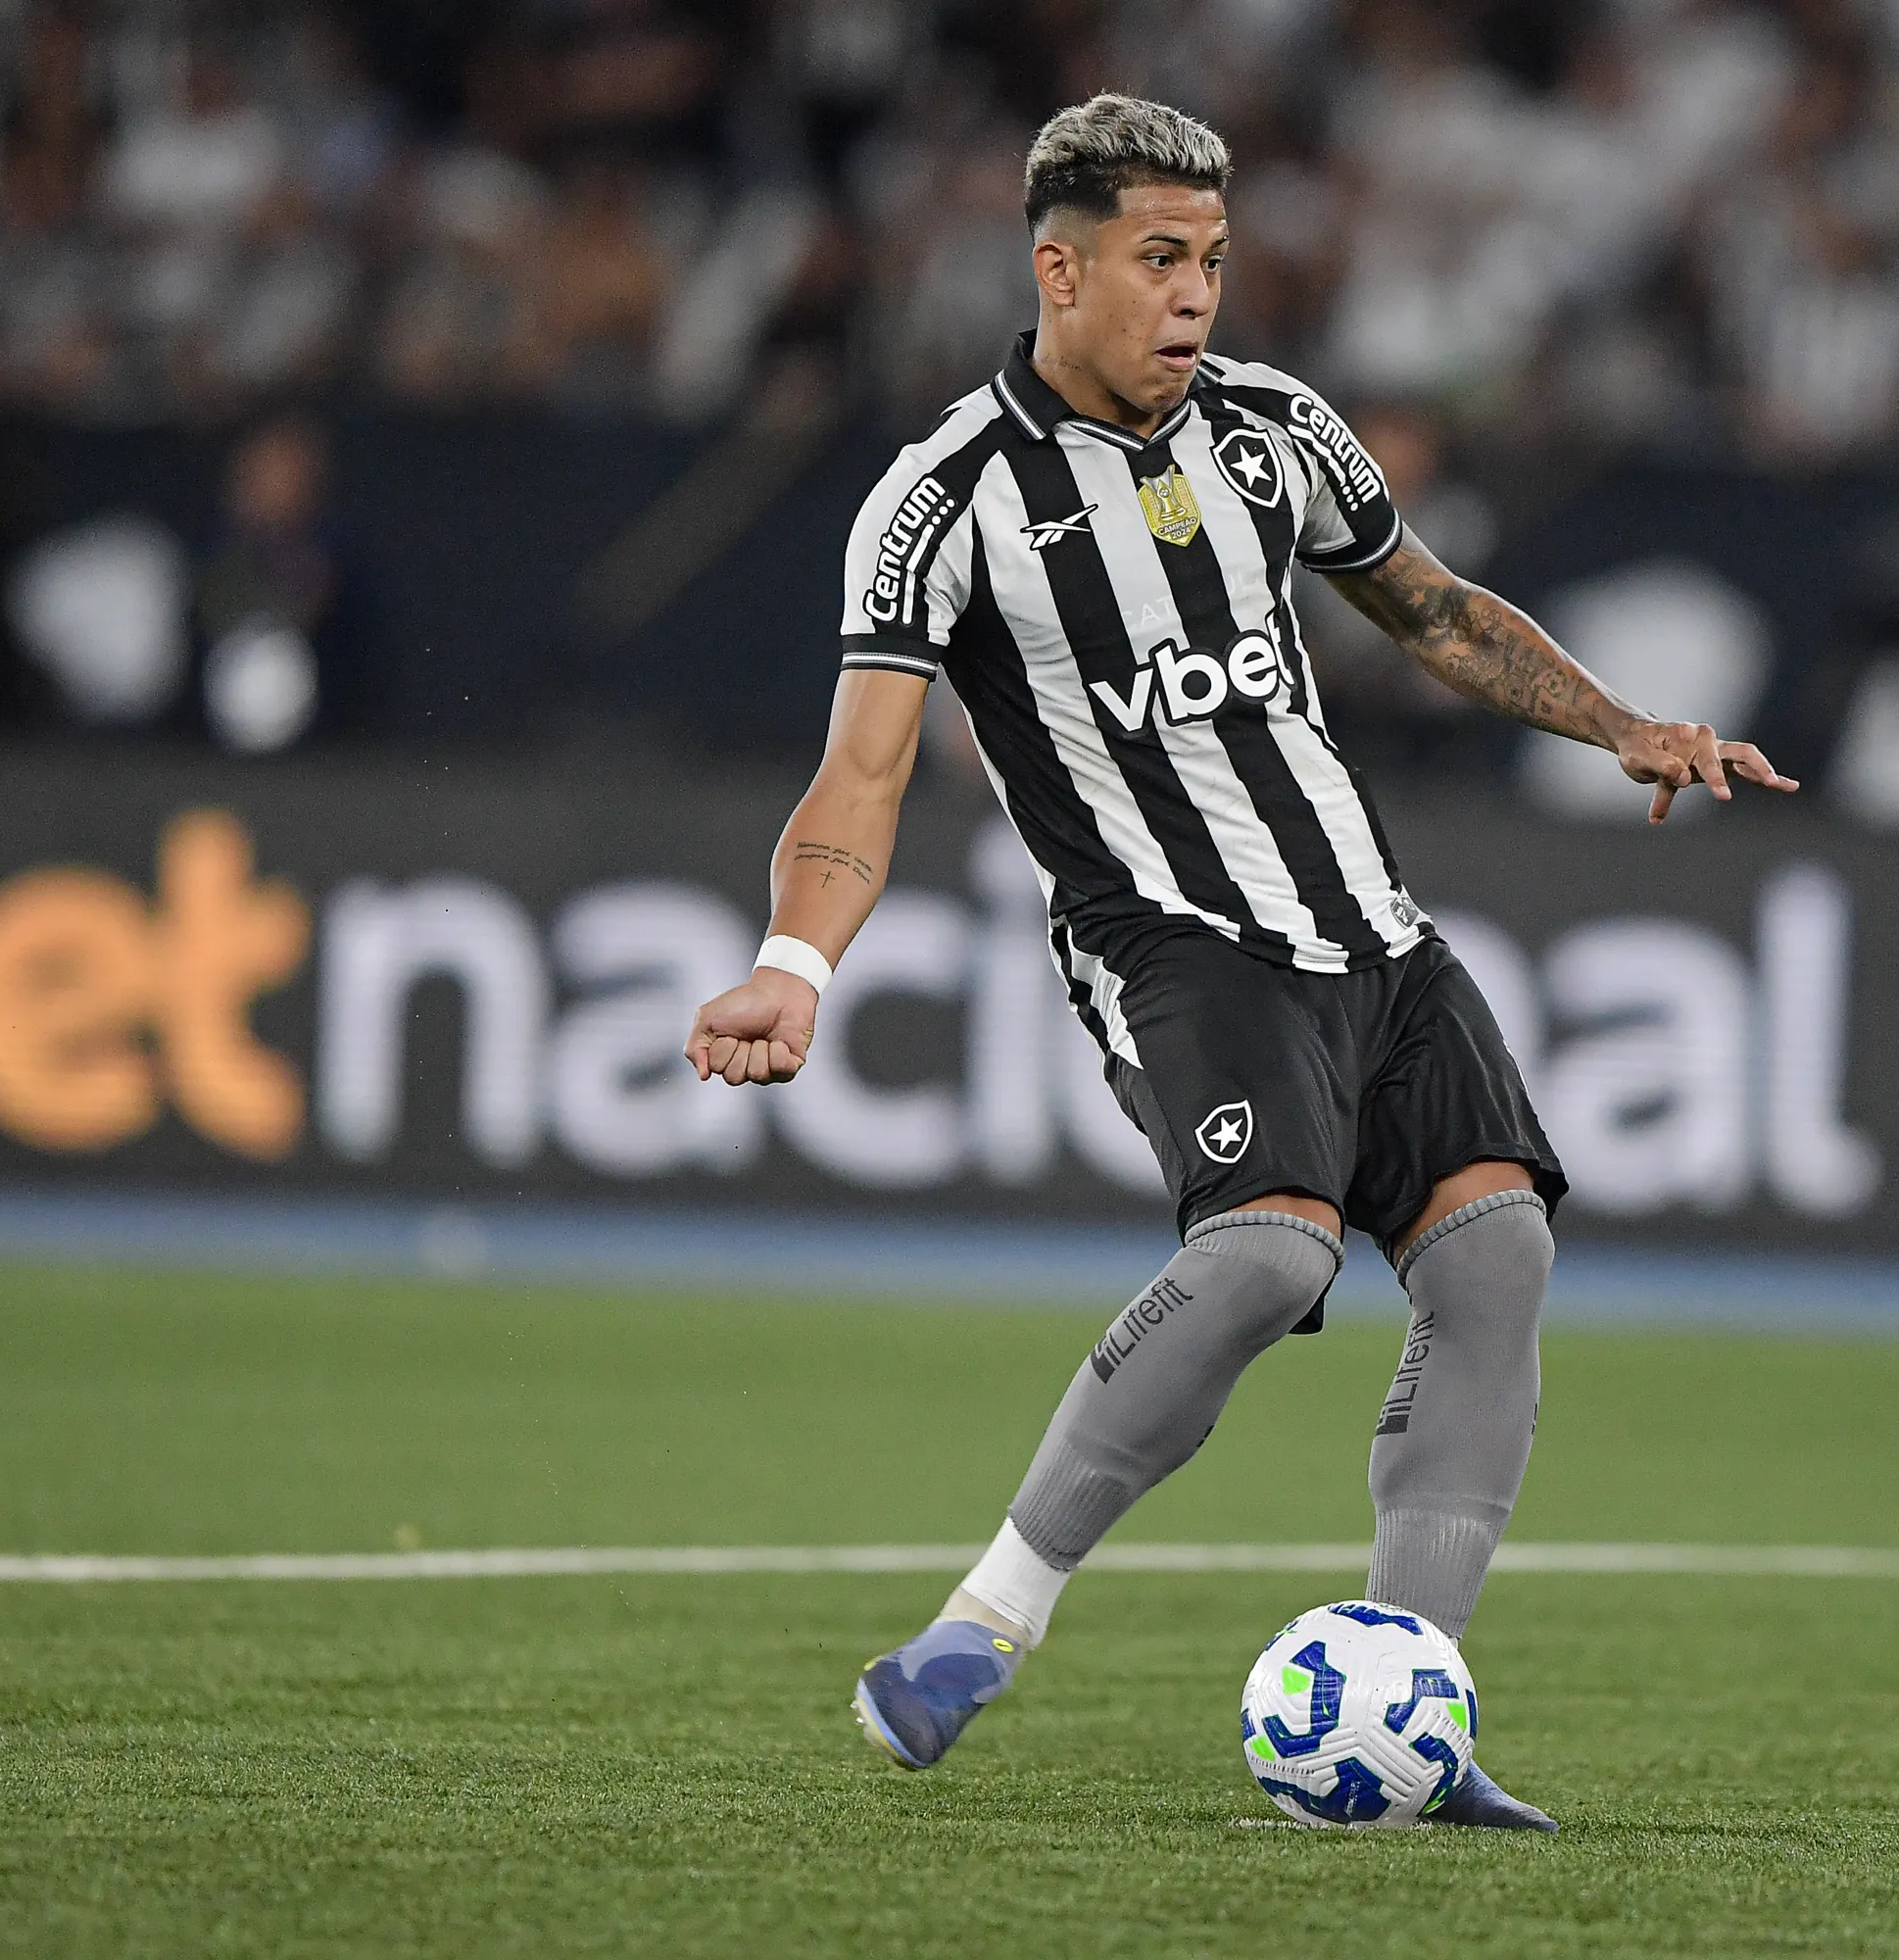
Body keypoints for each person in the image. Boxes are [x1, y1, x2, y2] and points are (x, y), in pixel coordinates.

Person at [683, 95, 1794, 1829]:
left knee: (1496, 1259)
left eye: (1212, 259)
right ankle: (985, 1622)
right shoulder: (945, 500)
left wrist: (1624, 726)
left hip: (1376, 933)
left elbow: (1436, 613)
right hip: (1177, 943)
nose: (1196, 295)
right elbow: (864, 773)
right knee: (1271, 1261)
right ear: (1058, 269)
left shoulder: (1278, 432)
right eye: (1157, 260)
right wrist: (794, 968)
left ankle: (1409, 1716)